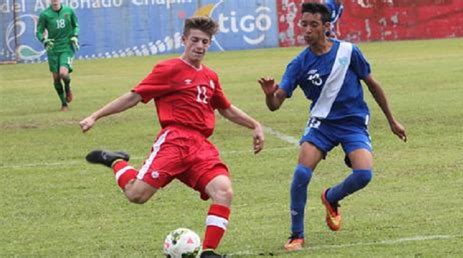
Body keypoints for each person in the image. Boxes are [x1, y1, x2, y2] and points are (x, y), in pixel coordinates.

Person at [80, 16, 264, 258]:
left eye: (205, 42)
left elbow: (225, 108)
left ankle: (208, 252)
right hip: (174, 141)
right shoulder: (168, 69)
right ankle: (115, 160)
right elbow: (134, 96)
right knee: (136, 195)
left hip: (200, 146)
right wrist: (96, 115)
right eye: (195, 40)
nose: (200, 46)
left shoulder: (210, 76)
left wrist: (255, 124)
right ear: (184, 39)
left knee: (223, 191)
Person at [258, 2, 406, 251]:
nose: (306, 30)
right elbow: (275, 104)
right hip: (322, 124)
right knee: (301, 174)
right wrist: (269, 94)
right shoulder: (298, 64)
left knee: (363, 175)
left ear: (326, 27)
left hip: (353, 123)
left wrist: (392, 120)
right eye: (303, 24)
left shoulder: (349, 51)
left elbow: (372, 84)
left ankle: (331, 197)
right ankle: (297, 235)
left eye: (313, 25)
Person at [36, 0, 80, 111]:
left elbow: (76, 25)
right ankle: (64, 104)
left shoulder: (69, 11)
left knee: (63, 73)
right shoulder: (45, 14)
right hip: (53, 49)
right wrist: (44, 40)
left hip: (66, 47)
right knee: (56, 78)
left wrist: (75, 36)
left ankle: (68, 87)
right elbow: (39, 31)